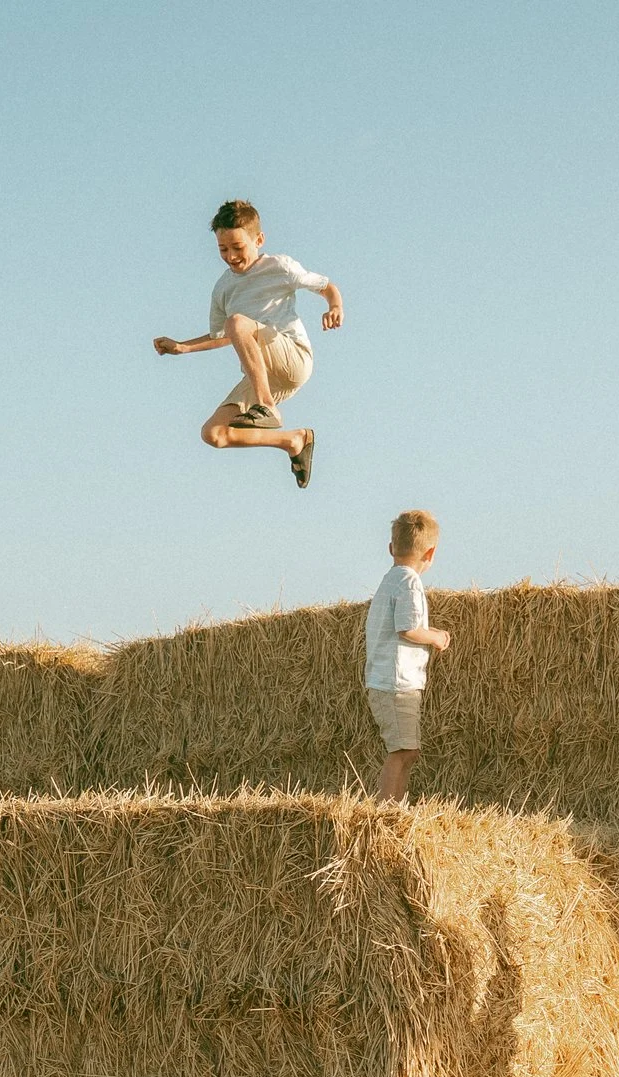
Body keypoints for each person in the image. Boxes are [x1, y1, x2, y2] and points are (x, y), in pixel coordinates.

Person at [152, 200, 340, 488]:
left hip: (293, 356)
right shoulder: (223, 289)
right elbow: (223, 336)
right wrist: (183, 347)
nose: (231, 256)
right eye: (223, 249)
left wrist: (334, 306)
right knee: (213, 433)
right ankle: (293, 441)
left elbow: (325, 285)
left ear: (258, 239)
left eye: (238, 247)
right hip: (262, 374)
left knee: (238, 322)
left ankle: (267, 407)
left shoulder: (280, 266)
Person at [364, 511, 449, 801]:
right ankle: (387, 813)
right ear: (431, 553)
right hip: (396, 683)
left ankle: (394, 809)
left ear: (391, 548)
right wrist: (436, 636)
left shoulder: (390, 579)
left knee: (405, 750)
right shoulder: (409, 583)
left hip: (385, 680)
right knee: (402, 752)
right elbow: (408, 628)